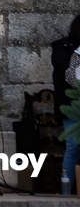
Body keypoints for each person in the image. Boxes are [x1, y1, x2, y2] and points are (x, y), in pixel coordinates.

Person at [52, 14, 80, 192]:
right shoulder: (64, 48)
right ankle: (66, 191)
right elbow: (68, 77)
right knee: (73, 146)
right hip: (72, 106)